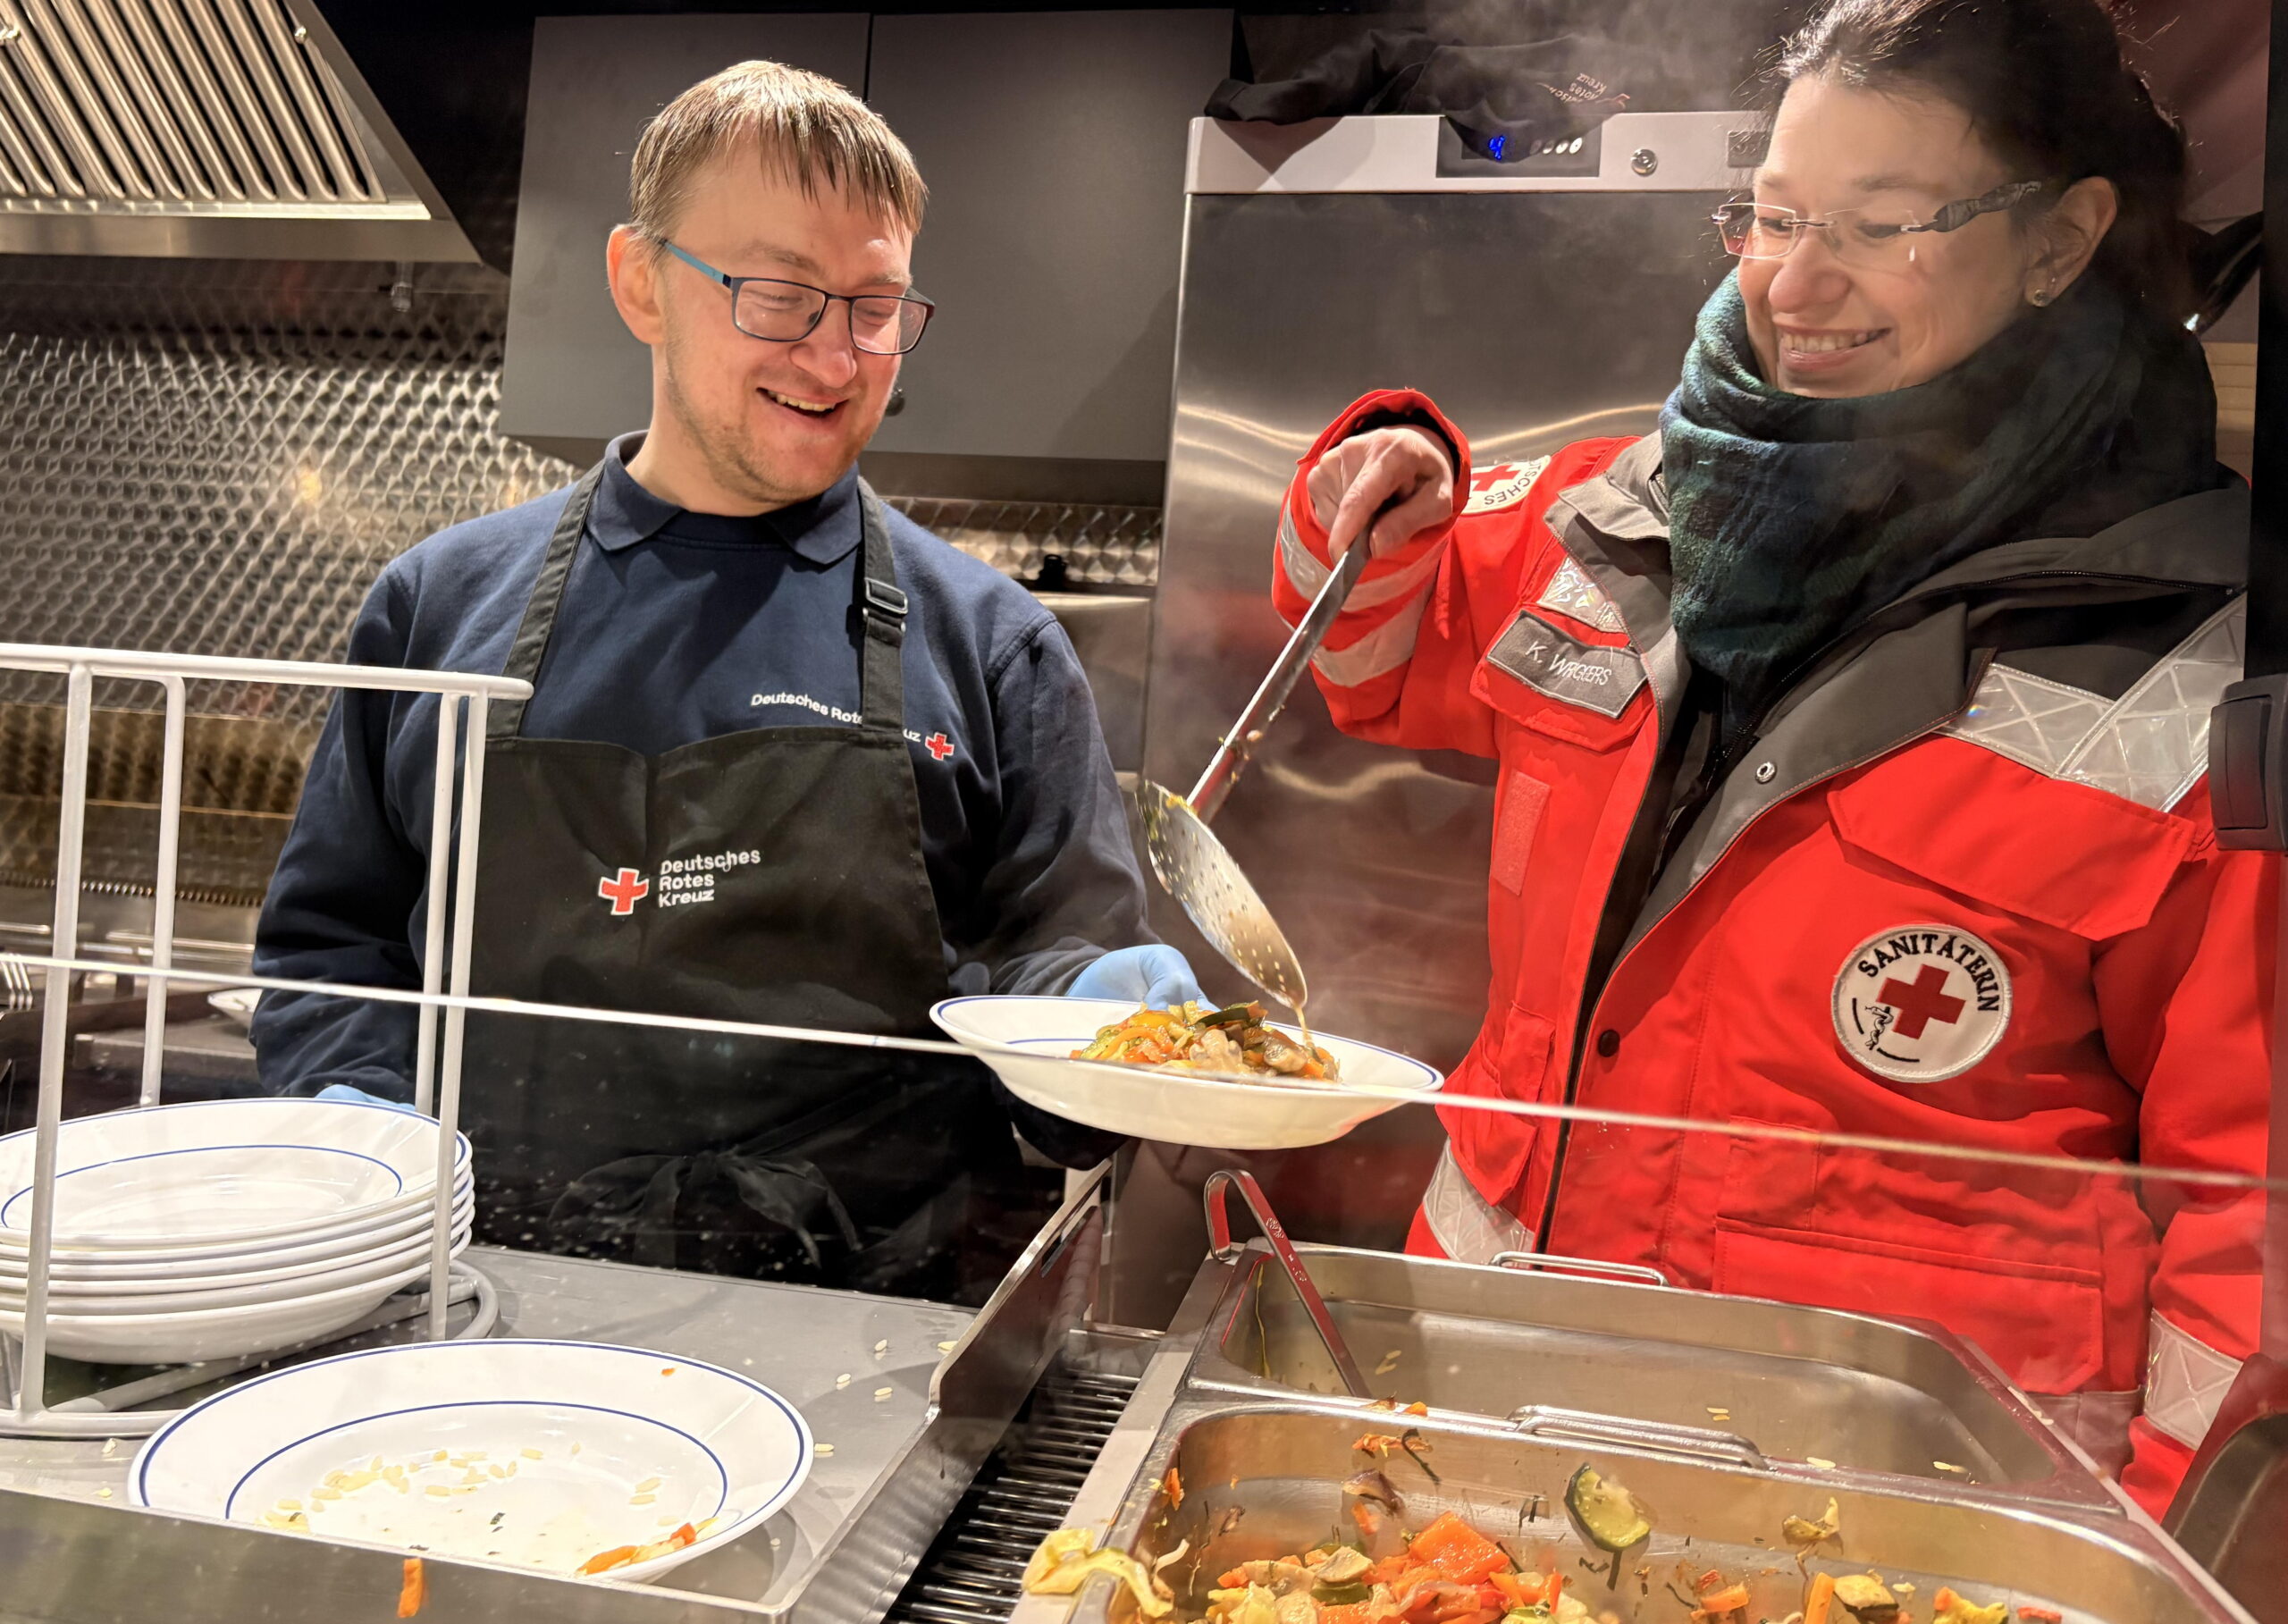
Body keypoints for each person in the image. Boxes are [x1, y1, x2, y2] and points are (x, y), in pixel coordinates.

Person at [1278, 0, 2264, 1514]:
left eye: (1879, 225)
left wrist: (2167, 1565)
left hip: (1899, 1527)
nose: (1794, 283)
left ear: (2060, 241)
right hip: (1496, 1436)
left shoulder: (2204, 669)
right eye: (1776, 215)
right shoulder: (1636, 511)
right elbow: (1376, 660)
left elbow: (2252, 1223)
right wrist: (1381, 489)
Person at [253, 60, 1199, 1303]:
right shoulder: (436, 607)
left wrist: (1104, 1026)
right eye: (781, 294)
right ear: (641, 282)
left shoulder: (995, 646)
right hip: (472, 1311)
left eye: (875, 305)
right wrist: (356, 1121)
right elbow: (332, 952)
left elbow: (1053, 982)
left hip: (871, 1333)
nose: (836, 356)